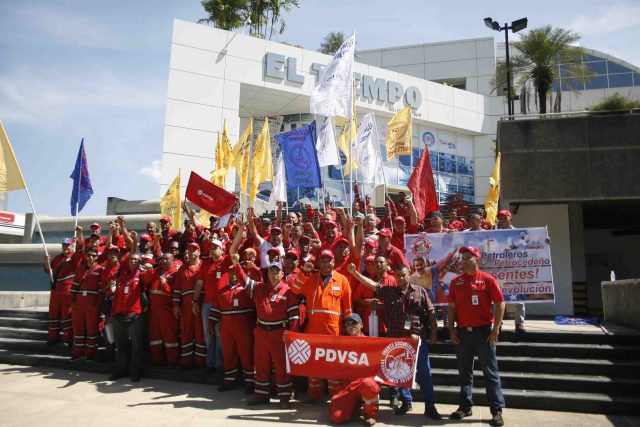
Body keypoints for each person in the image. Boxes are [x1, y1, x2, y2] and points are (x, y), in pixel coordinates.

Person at [347, 262, 441, 420]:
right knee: (400, 373)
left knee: (425, 373)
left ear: (409, 274)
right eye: (398, 275)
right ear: (395, 277)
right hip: (396, 340)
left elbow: (431, 312)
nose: (401, 277)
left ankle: (430, 406)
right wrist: (355, 272)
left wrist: (434, 333)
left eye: (404, 274)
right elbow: (372, 285)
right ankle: (406, 401)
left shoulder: (420, 291)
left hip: (417, 340)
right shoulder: (389, 292)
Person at [231, 245, 301, 409]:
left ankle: (284, 397)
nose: (274, 275)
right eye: (271, 272)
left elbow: (295, 316)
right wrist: (236, 265)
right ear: (267, 274)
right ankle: (261, 395)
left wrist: (292, 334)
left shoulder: (288, 291)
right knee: (261, 364)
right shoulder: (259, 288)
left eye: (277, 272)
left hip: (279, 333)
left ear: (282, 274)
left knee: (281, 366)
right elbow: (243, 279)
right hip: (261, 331)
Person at [447, 246, 506, 427]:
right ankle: (465, 407)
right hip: (463, 334)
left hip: (483, 333)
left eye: (468, 258)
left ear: (477, 260)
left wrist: (496, 329)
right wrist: (451, 329)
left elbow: (500, 302)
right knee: (464, 373)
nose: (464, 261)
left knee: (490, 373)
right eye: (462, 258)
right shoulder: (456, 281)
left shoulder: (487, 279)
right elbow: (452, 308)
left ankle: (496, 411)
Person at [292, 249, 353, 403]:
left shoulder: (342, 280)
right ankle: (314, 395)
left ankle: (335, 398)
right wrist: (303, 272)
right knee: (314, 369)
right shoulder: (310, 279)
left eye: (329, 261)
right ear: (319, 263)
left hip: (335, 334)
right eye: (323, 261)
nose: (326, 264)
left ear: (334, 262)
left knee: (334, 370)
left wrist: (350, 330)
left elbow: (348, 308)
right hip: (314, 333)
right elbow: (295, 288)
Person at [208, 264, 256, 394]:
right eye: (231, 273)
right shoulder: (222, 291)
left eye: (235, 272)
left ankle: (250, 382)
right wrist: (211, 324)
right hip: (227, 328)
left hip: (244, 327)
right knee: (229, 354)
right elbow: (215, 310)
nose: (233, 275)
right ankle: (229, 381)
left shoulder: (246, 290)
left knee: (247, 354)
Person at [328, 313, 382, 426]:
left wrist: (412, 341)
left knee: (368, 384)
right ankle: (354, 408)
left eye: (354, 323)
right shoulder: (341, 344)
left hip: (365, 384)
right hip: (349, 387)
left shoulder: (372, 343)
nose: (350, 326)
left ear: (361, 325)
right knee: (336, 418)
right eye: (347, 324)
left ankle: (370, 414)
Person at [109, 253, 147, 382]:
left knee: (137, 346)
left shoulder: (142, 275)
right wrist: (113, 313)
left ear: (139, 262)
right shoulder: (122, 276)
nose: (132, 260)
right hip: (119, 316)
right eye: (131, 258)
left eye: (136, 259)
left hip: (135, 315)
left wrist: (148, 269)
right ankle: (120, 370)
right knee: (121, 346)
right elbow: (117, 296)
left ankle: (135, 372)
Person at [172, 242, 206, 369]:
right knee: (186, 332)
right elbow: (176, 289)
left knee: (200, 333)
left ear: (199, 252)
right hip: (186, 305)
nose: (191, 252)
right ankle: (186, 362)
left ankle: (200, 362)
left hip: (200, 304)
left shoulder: (203, 266)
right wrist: (176, 305)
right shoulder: (182, 269)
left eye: (194, 250)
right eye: (189, 250)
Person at [44, 238, 83, 345]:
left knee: (67, 315)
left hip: (67, 289)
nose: (65, 247)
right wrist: (46, 261)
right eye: (64, 245)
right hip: (55, 289)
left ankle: (68, 339)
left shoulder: (74, 257)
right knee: (53, 314)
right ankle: (52, 338)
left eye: (68, 245)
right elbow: (48, 270)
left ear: (72, 246)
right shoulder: (57, 258)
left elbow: (81, 251)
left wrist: (79, 240)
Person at [70, 246, 104, 360]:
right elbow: (74, 285)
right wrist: (72, 302)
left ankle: (90, 354)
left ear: (97, 257)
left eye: (93, 256)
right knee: (78, 328)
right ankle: (77, 352)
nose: (90, 257)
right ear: (85, 256)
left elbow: (101, 290)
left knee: (91, 329)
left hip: (92, 304)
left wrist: (99, 306)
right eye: (89, 255)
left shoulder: (100, 270)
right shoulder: (80, 269)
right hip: (79, 304)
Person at [145, 253, 180, 366]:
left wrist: (165, 285)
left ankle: (172, 360)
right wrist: (149, 272)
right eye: (163, 259)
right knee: (155, 337)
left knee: (169, 336)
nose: (164, 262)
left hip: (167, 311)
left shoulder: (175, 274)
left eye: (167, 260)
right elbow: (145, 283)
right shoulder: (155, 271)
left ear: (172, 260)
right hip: (154, 311)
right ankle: (157, 360)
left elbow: (175, 293)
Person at [496, 209, 526, 333]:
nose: (502, 220)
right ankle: (498, 324)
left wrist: (545, 242)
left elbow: (530, 246)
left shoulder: (519, 233)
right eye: (500, 218)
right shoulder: (494, 234)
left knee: (520, 297)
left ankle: (519, 324)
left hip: (516, 270)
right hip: (500, 271)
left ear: (510, 218)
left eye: (504, 217)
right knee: (497, 298)